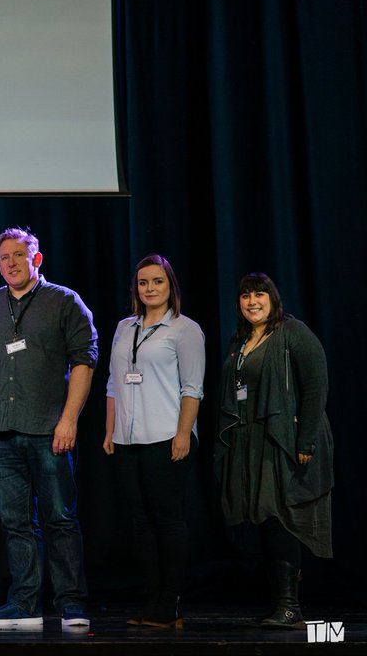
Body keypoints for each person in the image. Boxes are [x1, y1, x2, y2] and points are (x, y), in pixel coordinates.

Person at [0, 228, 97, 630]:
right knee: (15, 523)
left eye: (18, 255)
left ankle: (71, 602)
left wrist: (70, 419)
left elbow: (84, 360)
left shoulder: (63, 301)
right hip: (2, 433)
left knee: (59, 518)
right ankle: (24, 604)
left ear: (36, 259)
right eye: (3, 257)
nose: (10, 263)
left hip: (48, 429)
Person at [215, 272, 333, 629]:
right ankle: (281, 605)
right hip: (252, 441)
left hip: (285, 438)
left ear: (273, 297)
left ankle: (290, 607)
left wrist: (306, 441)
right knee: (266, 518)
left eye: (259, 294)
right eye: (245, 295)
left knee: (280, 517)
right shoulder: (240, 340)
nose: (252, 301)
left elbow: (316, 386)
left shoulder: (292, 332)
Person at [102, 254, 204, 628]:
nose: (149, 289)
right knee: (140, 521)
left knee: (167, 518)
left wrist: (182, 434)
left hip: (166, 436)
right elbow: (113, 381)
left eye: (157, 282)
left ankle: (172, 603)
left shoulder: (184, 329)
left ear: (170, 286)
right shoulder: (124, 327)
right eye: (143, 283)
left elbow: (193, 389)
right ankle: (154, 599)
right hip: (127, 439)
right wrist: (110, 429)